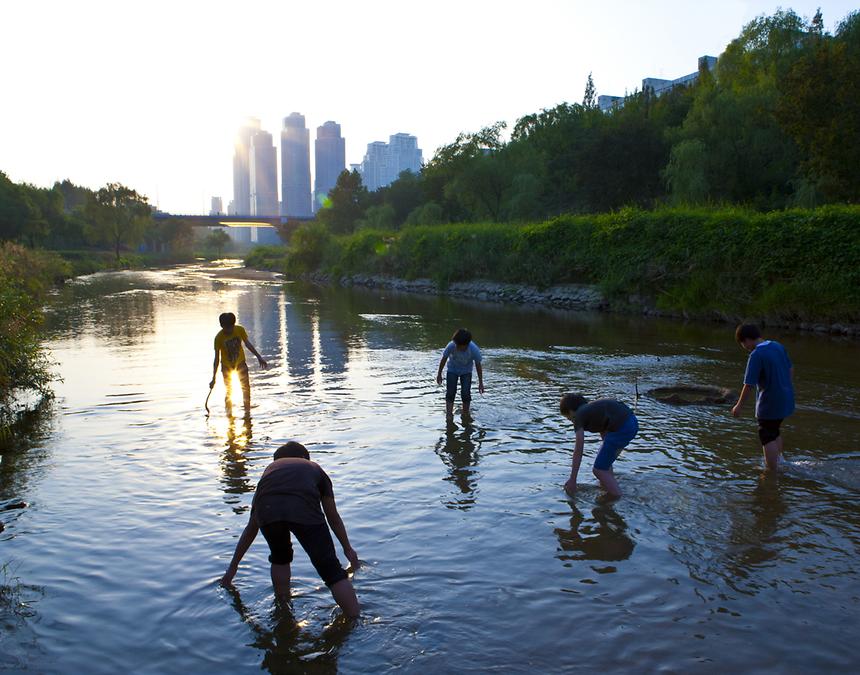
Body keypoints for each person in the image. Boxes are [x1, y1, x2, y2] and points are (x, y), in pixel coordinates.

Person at [220, 441, 361, 618]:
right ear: (304, 457)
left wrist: (232, 570)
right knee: (331, 571)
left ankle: (283, 607)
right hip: (304, 512)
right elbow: (333, 517)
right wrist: (348, 549)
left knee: (280, 557)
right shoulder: (313, 468)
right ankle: (355, 618)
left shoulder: (270, 472)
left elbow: (251, 527)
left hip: (268, 510)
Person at [731, 324, 795, 470]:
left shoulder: (756, 355)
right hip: (786, 397)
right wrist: (785, 387)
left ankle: (771, 470)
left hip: (769, 402)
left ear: (746, 340)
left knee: (765, 434)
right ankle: (780, 462)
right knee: (774, 430)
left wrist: (739, 406)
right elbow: (791, 368)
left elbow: (749, 384)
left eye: (742, 344)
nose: (744, 347)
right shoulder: (777, 346)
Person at [559, 394, 639, 499]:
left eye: (568, 418)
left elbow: (578, 449)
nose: (571, 421)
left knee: (598, 470)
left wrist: (573, 479)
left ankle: (616, 497)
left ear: (570, 412)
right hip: (631, 422)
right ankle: (607, 487)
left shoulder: (578, 416)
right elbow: (603, 429)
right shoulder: (592, 409)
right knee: (604, 465)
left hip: (622, 427)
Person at [210, 312, 267, 415]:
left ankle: (247, 413)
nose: (229, 330)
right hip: (227, 367)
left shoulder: (239, 330)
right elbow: (216, 359)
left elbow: (248, 344)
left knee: (246, 389)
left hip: (241, 364)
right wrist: (213, 378)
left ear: (234, 324)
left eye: (230, 327)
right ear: (222, 326)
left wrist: (259, 357)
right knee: (229, 391)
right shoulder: (218, 338)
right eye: (226, 328)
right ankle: (229, 414)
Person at [436, 328, 484, 416]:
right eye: (457, 345)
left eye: (460, 346)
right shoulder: (451, 346)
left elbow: (478, 365)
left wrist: (480, 382)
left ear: (467, 344)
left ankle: (465, 413)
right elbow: (444, 359)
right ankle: (449, 415)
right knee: (450, 392)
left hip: (466, 371)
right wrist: (439, 374)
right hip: (452, 370)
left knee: (465, 393)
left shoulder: (473, 349)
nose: (457, 348)